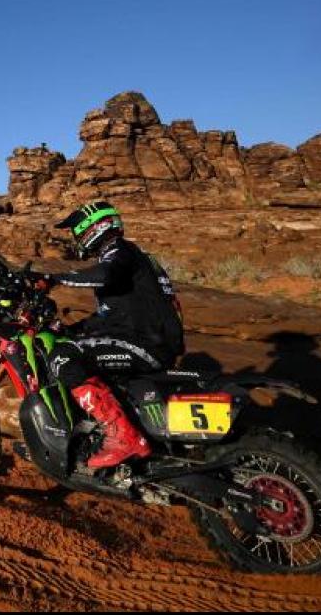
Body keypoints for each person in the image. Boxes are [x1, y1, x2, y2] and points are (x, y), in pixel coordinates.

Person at [31, 200, 185, 469]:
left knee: (64, 357)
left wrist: (55, 279)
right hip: (145, 338)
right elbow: (111, 318)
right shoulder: (126, 257)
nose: (76, 237)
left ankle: (123, 437)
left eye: (77, 230)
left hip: (148, 343)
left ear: (92, 228)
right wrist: (70, 329)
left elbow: (105, 275)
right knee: (71, 343)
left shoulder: (118, 251)